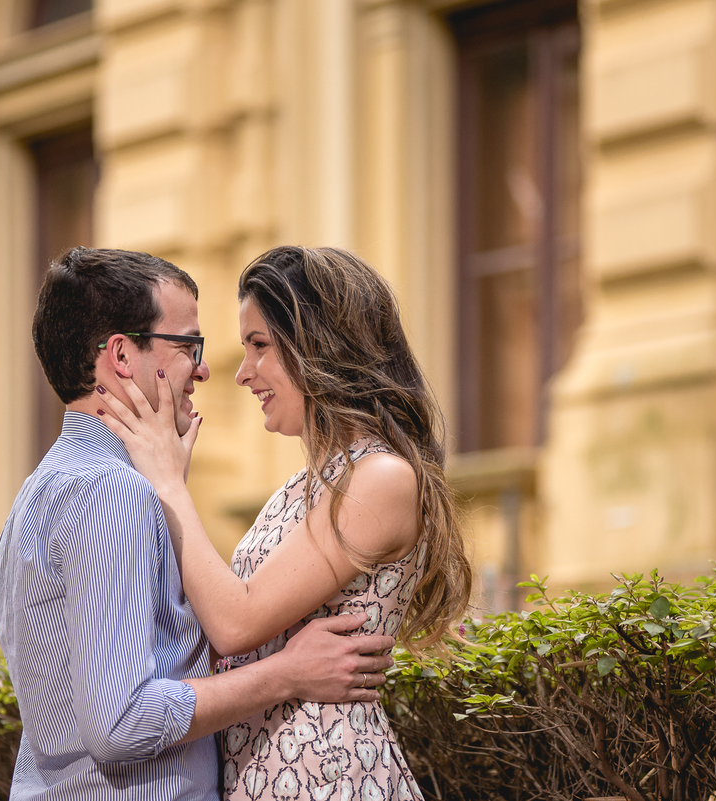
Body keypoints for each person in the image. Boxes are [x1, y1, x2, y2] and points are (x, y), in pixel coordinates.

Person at [0, 247, 396, 801]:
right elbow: (120, 722)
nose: (206, 370)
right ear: (122, 356)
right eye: (187, 346)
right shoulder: (112, 492)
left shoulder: (36, 494)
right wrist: (286, 673)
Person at [95, 245, 473, 801]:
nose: (243, 373)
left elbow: (238, 621)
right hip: (272, 770)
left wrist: (169, 483)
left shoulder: (383, 479)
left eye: (259, 346)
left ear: (318, 346)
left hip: (328, 773)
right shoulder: (305, 486)